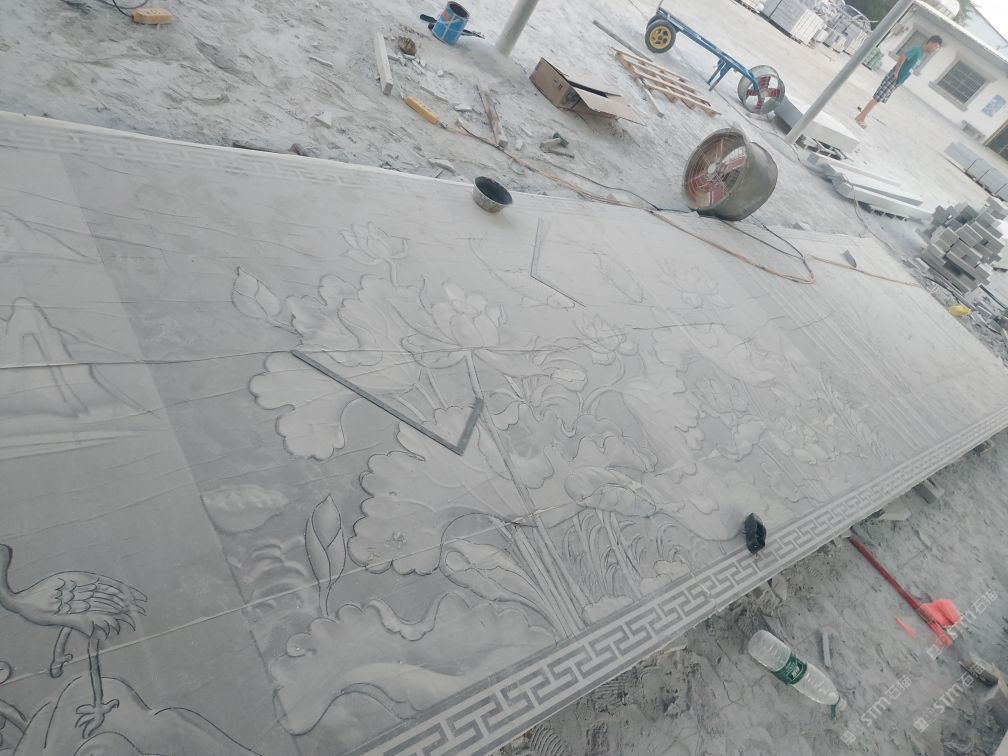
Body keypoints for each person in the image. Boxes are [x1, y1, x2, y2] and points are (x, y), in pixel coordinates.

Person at [855, 35, 943, 128]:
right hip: (894, 77)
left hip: (898, 81)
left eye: (937, 48)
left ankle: (861, 116)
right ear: (930, 42)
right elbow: (903, 56)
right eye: (936, 46)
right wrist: (896, 72)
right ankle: (861, 118)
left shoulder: (922, 54)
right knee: (877, 98)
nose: (935, 50)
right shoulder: (917, 49)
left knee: (879, 99)